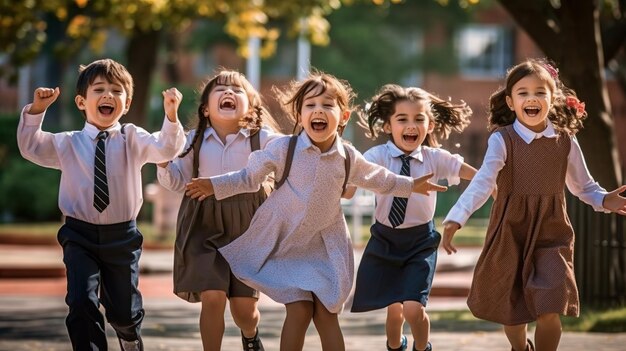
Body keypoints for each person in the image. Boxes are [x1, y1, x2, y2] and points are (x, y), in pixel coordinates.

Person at [184, 71, 448, 351]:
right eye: (310, 105)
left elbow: (380, 179)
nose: (318, 111)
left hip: (325, 245)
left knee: (326, 314)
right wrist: (215, 185)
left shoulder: (347, 157)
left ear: (343, 116)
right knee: (299, 310)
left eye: (327, 105)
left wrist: (410, 185)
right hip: (286, 241)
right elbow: (249, 177)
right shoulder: (284, 148)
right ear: (299, 115)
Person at [441, 58, 626, 351]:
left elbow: (583, 186)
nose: (532, 98)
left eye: (540, 92)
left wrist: (604, 199)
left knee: (550, 306)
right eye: (523, 92)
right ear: (511, 102)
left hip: (552, 234)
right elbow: (484, 182)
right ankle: (520, 348)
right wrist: (456, 217)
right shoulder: (503, 140)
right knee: (513, 316)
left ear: (552, 100)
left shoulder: (565, 140)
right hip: (510, 233)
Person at [16, 58, 186, 351]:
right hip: (78, 234)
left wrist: (171, 116)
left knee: (123, 308)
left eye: (116, 91)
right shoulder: (68, 144)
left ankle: (129, 334)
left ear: (128, 103)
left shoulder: (132, 137)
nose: (108, 95)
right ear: (82, 102)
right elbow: (31, 147)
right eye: (99, 89)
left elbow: (166, 149)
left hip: (122, 237)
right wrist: (37, 111)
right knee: (81, 301)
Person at [157, 70, 281, 351]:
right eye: (221, 89)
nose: (228, 92)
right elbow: (177, 181)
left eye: (237, 90)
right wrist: (162, 158)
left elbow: (288, 152)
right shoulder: (192, 140)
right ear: (205, 108)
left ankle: (250, 335)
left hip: (248, 226)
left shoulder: (263, 139)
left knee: (243, 310)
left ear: (251, 106)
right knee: (212, 296)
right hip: (204, 222)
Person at [349, 84, 476, 351]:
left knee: (413, 309)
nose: (411, 125)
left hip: (420, 243)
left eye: (419, 119)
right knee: (394, 313)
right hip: (385, 241)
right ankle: (395, 346)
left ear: (429, 126)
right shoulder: (377, 156)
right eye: (402, 119)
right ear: (387, 126)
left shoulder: (435, 158)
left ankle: (422, 347)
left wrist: (496, 185)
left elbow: (477, 176)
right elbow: (352, 176)